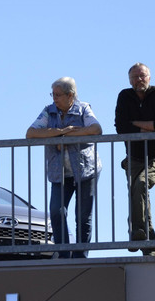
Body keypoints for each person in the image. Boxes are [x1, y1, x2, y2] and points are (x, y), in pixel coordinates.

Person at [26, 77, 102, 259]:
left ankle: (80, 256)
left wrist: (66, 137)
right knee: (56, 211)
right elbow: (31, 133)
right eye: (53, 94)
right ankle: (63, 253)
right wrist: (62, 132)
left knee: (83, 216)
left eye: (58, 95)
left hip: (86, 170)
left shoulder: (83, 108)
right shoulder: (49, 111)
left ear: (70, 96)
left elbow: (95, 129)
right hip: (59, 172)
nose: (54, 98)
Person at [114, 63, 155, 256]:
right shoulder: (125, 96)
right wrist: (148, 130)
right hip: (133, 156)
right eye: (135, 77)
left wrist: (134, 125)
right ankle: (149, 246)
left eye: (142, 75)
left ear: (149, 77)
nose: (139, 79)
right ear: (130, 80)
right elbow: (121, 127)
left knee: (140, 185)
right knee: (137, 196)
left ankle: (137, 234)